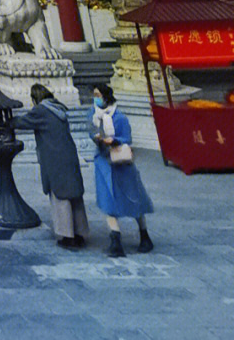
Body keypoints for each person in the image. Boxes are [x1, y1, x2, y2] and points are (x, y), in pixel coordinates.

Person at [13, 83, 89, 248]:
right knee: (75, 196)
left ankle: (67, 236)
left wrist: (5, 121)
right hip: (69, 155)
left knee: (60, 197)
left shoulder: (42, 110)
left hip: (54, 158)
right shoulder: (59, 108)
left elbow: (22, 122)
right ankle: (80, 232)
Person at [91, 82, 154, 256]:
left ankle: (144, 235)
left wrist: (115, 140)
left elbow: (127, 138)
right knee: (108, 200)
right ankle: (115, 239)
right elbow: (91, 132)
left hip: (121, 164)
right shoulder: (94, 116)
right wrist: (97, 138)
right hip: (104, 163)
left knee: (134, 199)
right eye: (94, 95)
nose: (95, 99)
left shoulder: (120, 118)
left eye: (98, 95)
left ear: (106, 97)